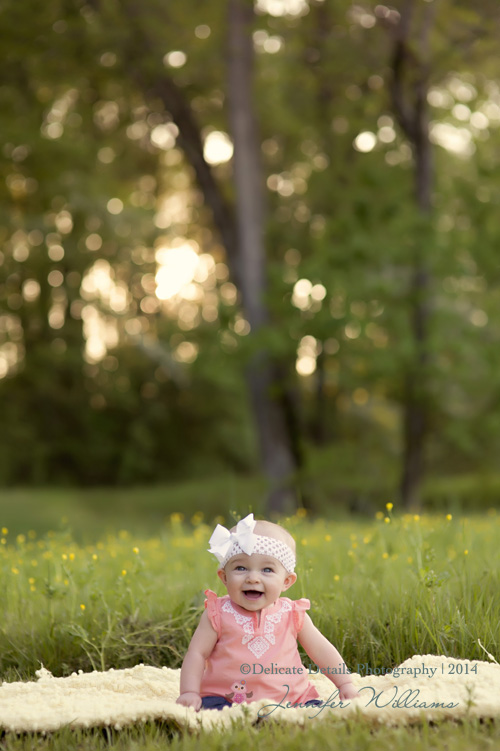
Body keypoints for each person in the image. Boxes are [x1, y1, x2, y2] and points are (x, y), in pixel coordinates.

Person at [176, 513, 359, 711]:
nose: (253, 578)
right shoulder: (217, 613)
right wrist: (189, 692)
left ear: (287, 581)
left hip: (293, 698)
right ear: (224, 577)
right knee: (212, 716)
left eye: (267, 570)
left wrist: (344, 683)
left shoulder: (293, 613)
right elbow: (197, 653)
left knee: (317, 717)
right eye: (240, 568)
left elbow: (321, 650)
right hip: (226, 699)